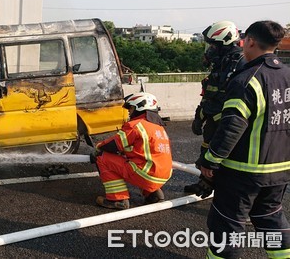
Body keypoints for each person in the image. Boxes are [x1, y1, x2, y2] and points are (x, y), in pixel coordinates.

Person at [198, 20, 290, 258]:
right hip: (280, 170)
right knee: (271, 219)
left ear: (249, 41)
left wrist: (210, 161)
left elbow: (232, 128)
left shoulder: (247, 79)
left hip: (243, 171)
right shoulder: (287, 76)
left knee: (227, 224)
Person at [185, 21, 245, 194]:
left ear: (223, 43)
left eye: (213, 45)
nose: (210, 49)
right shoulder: (222, 63)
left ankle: (229, 192)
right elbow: (210, 91)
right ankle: (205, 183)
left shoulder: (239, 63)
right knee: (207, 149)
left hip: (227, 119)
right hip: (213, 116)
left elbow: (231, 96)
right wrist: (199, 115)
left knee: (223, 154)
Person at [94, 92, 172, 210]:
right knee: (138, 161)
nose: (129, 112)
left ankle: (118, 199)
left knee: (102, 157)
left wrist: (99, 146)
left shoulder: (136, 125)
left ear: (138, 107)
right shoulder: (158, 127)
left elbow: (115, 144)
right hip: (163, 175)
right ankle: (153, 194)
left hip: (146, 175)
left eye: (130, 108)